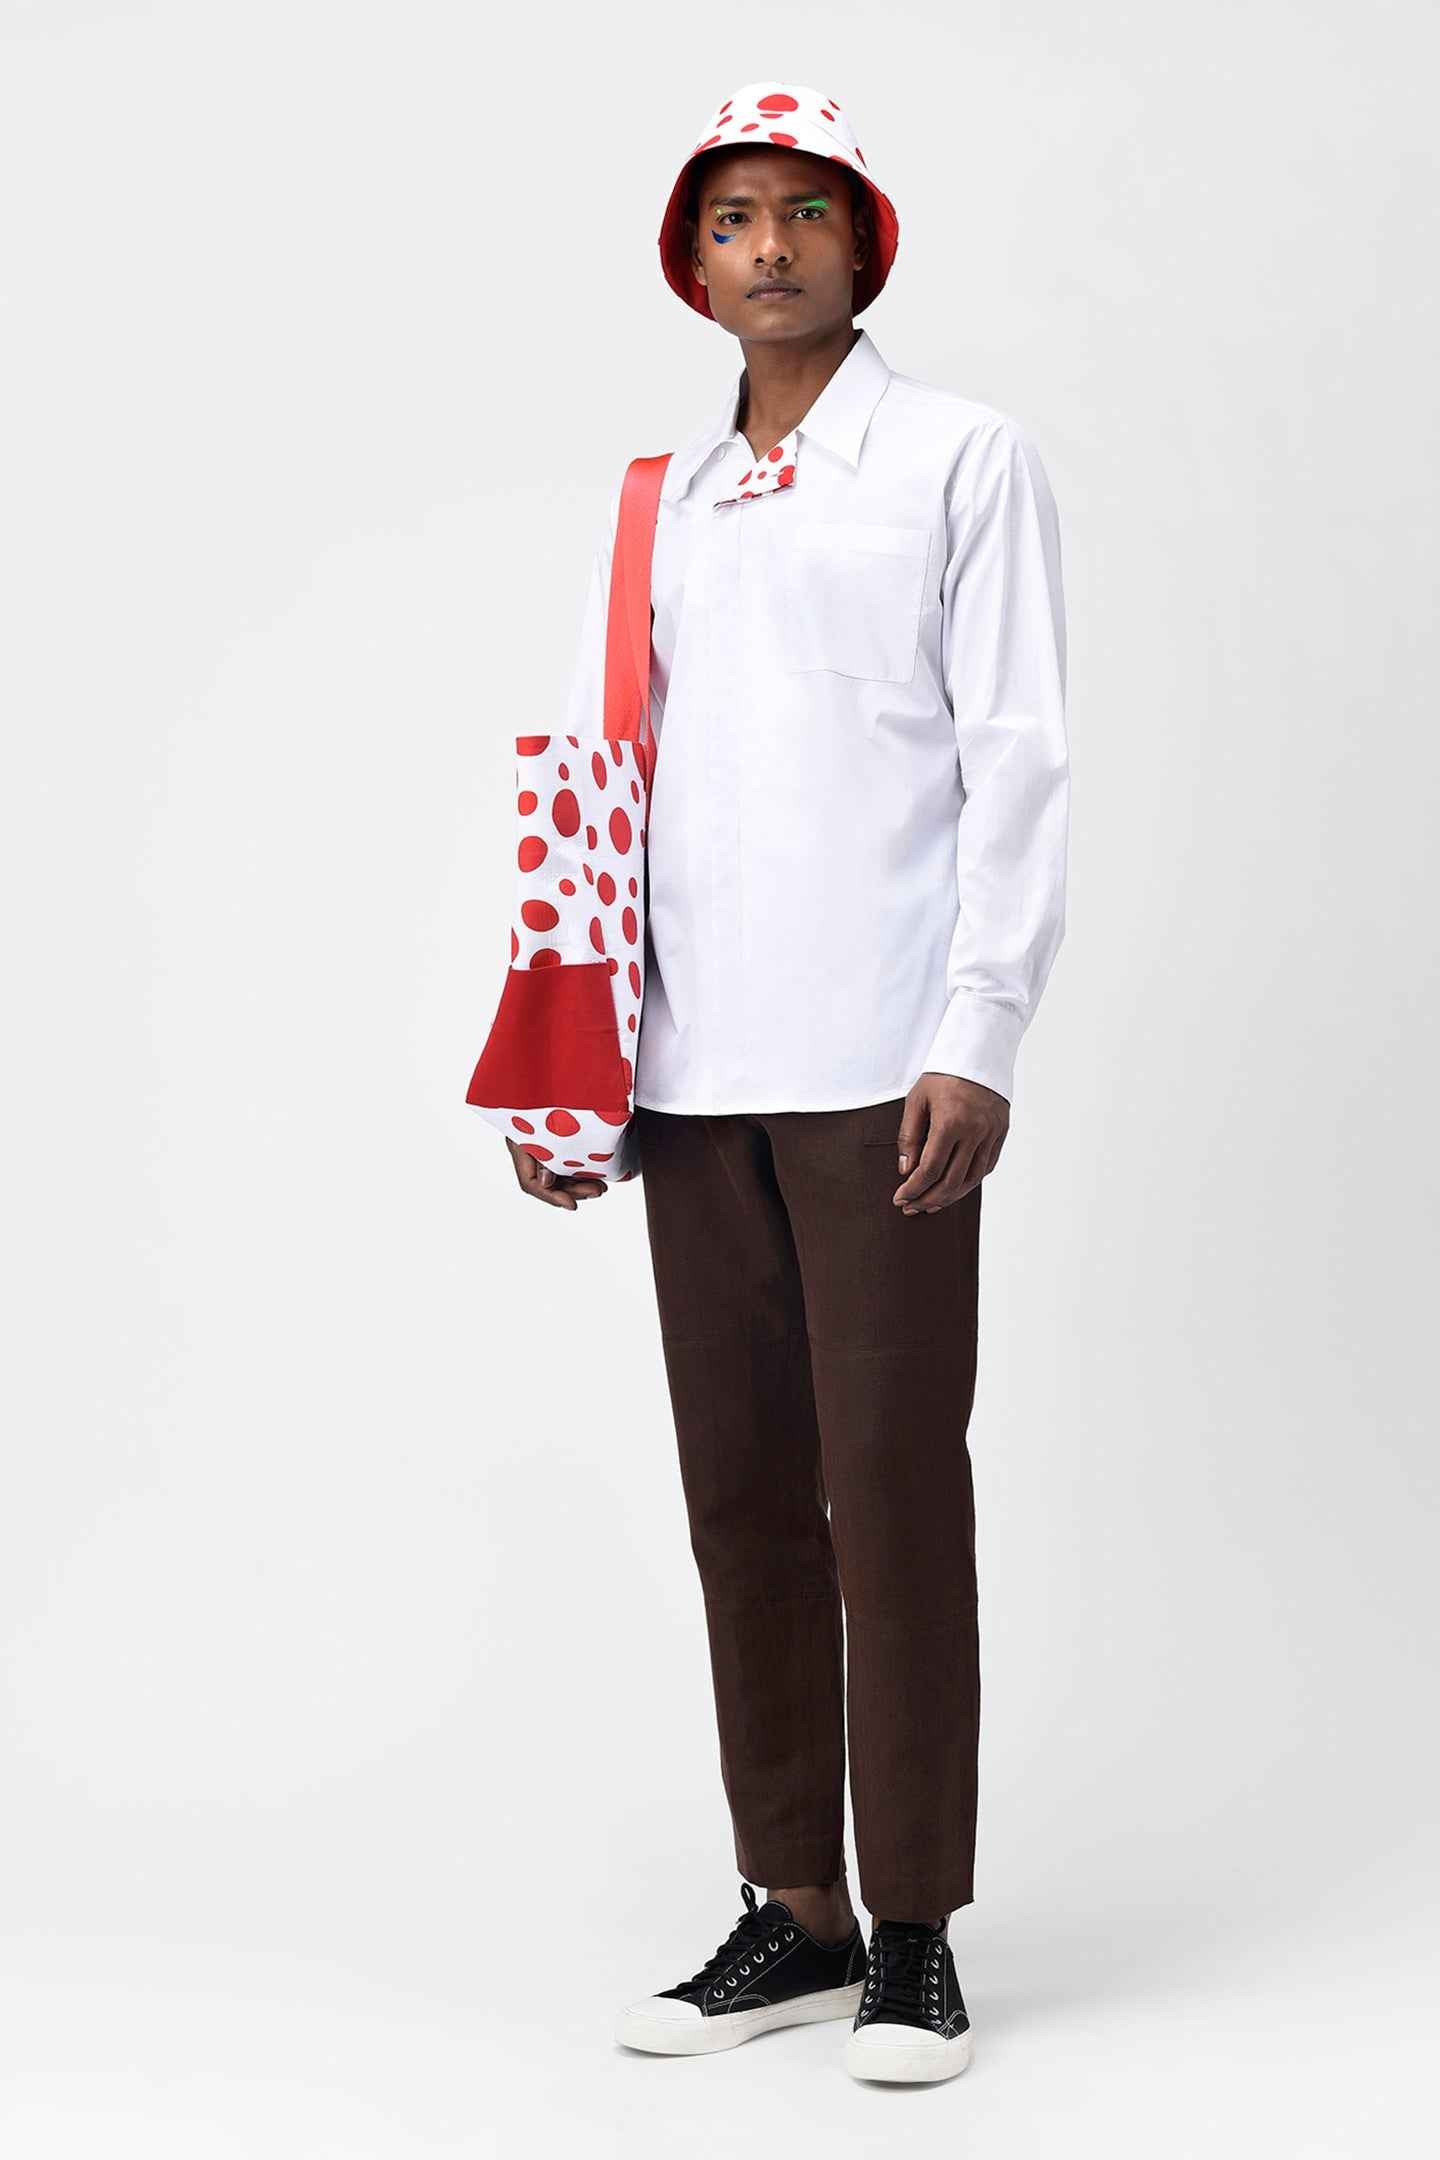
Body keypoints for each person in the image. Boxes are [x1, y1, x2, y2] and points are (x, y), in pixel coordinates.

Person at [505, 80, 1068, 2087]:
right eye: (733, 218)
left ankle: (914, 1925)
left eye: (802, 212)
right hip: (691, 1073)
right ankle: (798, 1910)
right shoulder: (659, 497)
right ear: (693, 261)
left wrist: (978, 1030)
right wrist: (574, 1071)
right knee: (743, 1496)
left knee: (893, 1491)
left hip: (881, 1070)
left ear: (863, 239)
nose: (769, 247)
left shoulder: (959, 460)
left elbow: (1019, 755)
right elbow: (610, 782)